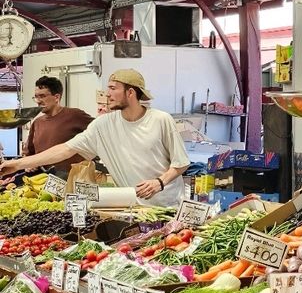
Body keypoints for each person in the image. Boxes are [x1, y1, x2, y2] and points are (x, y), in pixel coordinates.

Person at [2, 70, 189, 207]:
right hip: (132, 205)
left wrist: (159, 182)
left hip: (168, 205)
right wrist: (17, 165)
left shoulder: (160, 120)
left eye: (113, 88)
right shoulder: (103, 125)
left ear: (130, 92)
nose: (107, 94)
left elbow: (181, 163)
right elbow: (65, 149)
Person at [25, 76, 94, 175]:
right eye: (36, 96)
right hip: (42, 180)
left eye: (42, 96)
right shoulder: (37, 122)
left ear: (56, 97)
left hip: (71, 179)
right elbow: (28, 153)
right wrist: (29, 164)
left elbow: (99, 131)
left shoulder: (75, 115)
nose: (38, 101)